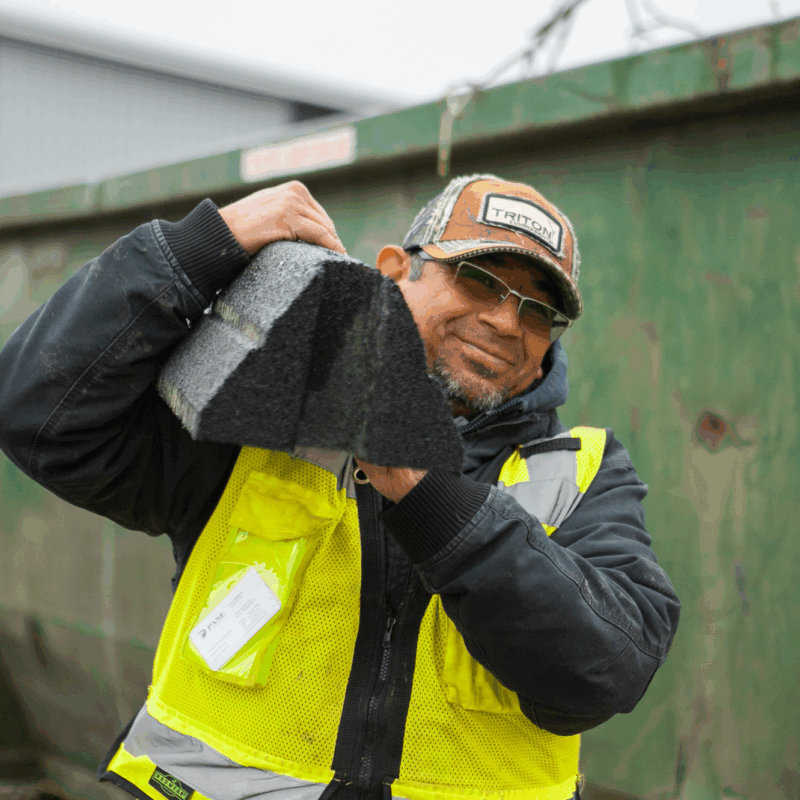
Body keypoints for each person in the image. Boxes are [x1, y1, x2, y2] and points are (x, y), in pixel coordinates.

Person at [0, 174, 680, 800]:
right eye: (478, 279)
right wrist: (198, 248)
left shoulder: (584, 471)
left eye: (539, 311)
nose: (507, 322)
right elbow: (39, 415)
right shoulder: (257, 422)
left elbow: (604, 671)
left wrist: (425, 496)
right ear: (393, 272)